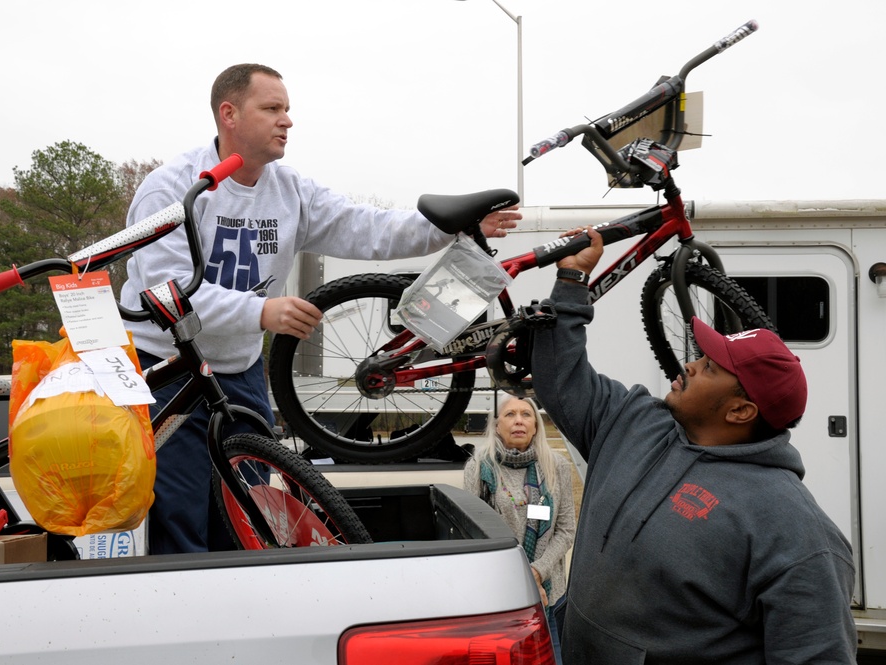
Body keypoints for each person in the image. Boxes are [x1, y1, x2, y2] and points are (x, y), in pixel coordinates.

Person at [119, 63, 521, 555]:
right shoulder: (171, 189)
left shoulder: (290, 191)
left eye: (287, 109)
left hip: (238, 372)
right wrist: (261, 313)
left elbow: (368, 228)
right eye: (271, 108)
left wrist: (450, 227)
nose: (286, 120)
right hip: (168, 373)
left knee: (246, 514)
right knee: (180, 518)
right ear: (229, 114)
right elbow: (164, 293)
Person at [529, 226, 858, 664]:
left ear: (741, 411)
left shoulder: (796, 531)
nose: (689, 365)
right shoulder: (635, 421)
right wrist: (571, 282)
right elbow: (561, 380)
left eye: (709, 367)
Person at [463, 394, 576, 663]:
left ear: (536, 425)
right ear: (496, 425)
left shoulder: (556, 466)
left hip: (550, 594)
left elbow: (566, 529)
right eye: (510, 414)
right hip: (501, 593)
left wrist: (538, 571)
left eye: (526, 414)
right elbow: (475, 534)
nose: (519, 421)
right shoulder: (479, 467)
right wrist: (521, 576)